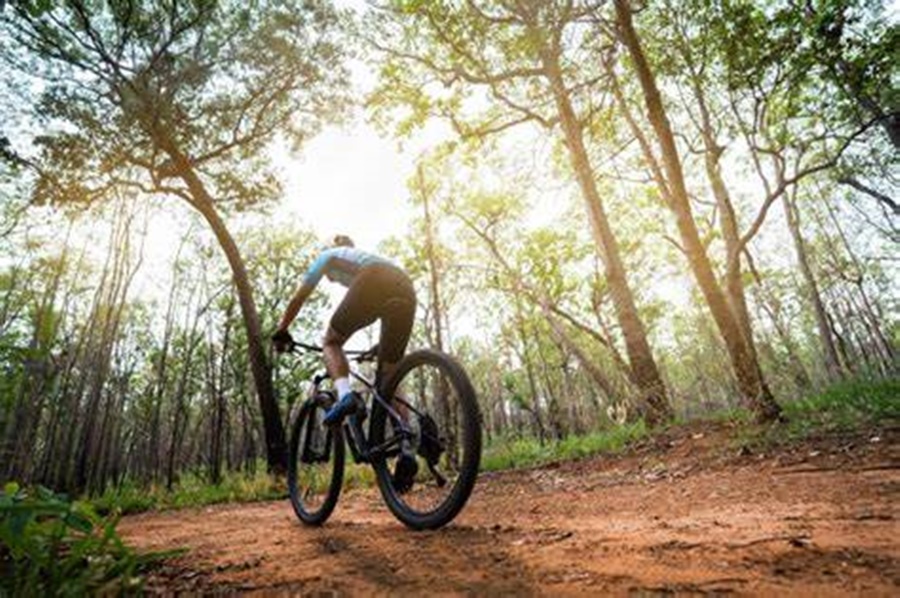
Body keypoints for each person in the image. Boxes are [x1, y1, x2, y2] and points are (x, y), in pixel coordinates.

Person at [272, 235, 419, 490]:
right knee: (389, 380)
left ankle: (345, 396)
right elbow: (375, 306)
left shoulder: (328, 256)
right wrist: (381, 346)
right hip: (405, 286)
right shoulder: (363, 258)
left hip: (374, 280)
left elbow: (299, 298)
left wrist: (282, 329)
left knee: (331, 342)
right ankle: (407, 442)